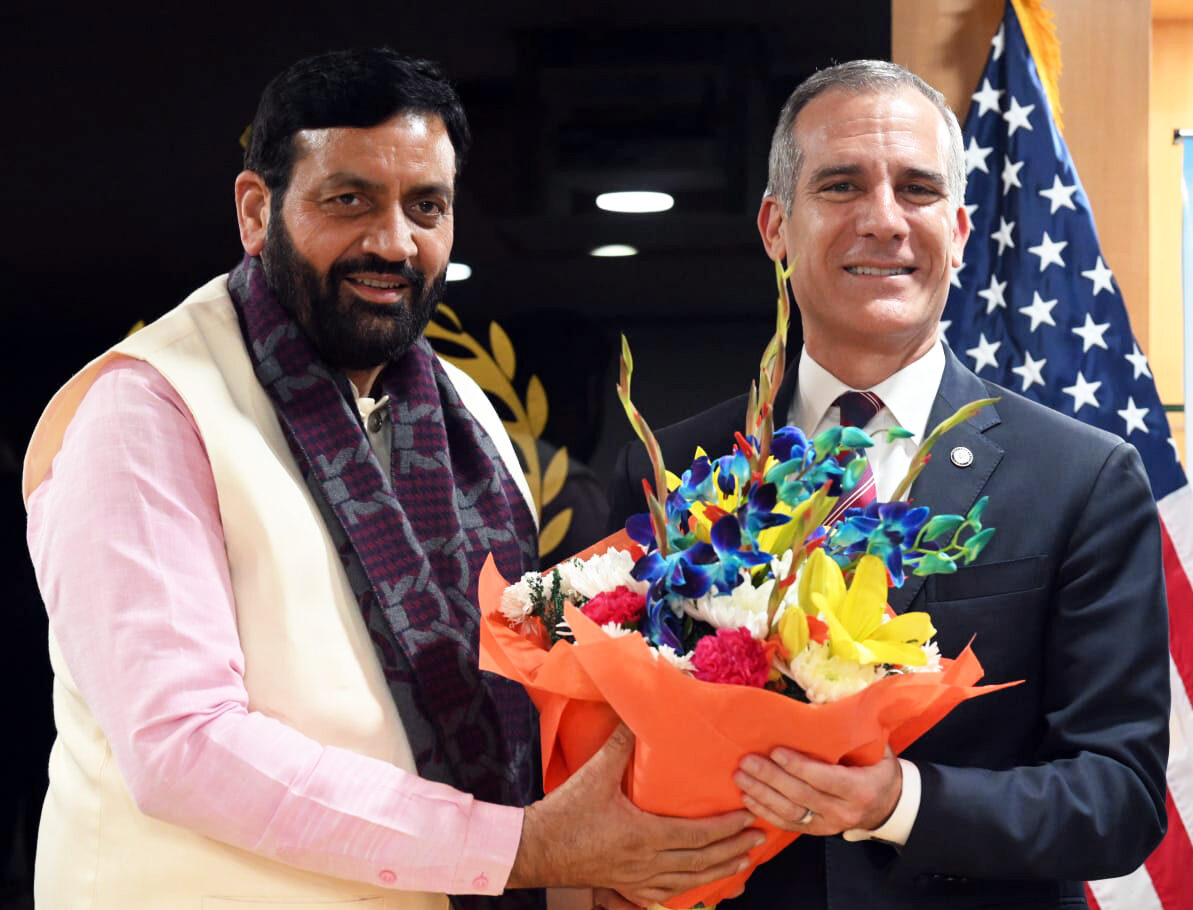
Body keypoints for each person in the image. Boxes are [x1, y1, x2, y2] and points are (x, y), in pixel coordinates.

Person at [22, 48, 761, 910]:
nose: (393, 241)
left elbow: (518, 689)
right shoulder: (147, 408)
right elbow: (181, 748)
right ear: (257, 211)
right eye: (349, 200)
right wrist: (528, 849)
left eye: (426, 206)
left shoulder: (463, 411)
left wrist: (599, 855)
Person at [606, 60, 1169, 909]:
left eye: (916, 189)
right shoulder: (673, 470)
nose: (883, 220)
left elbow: (1117, 799)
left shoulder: (1084, 478)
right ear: (775, 227)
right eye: (840, 185)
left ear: (959, 229)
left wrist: (898, 802)